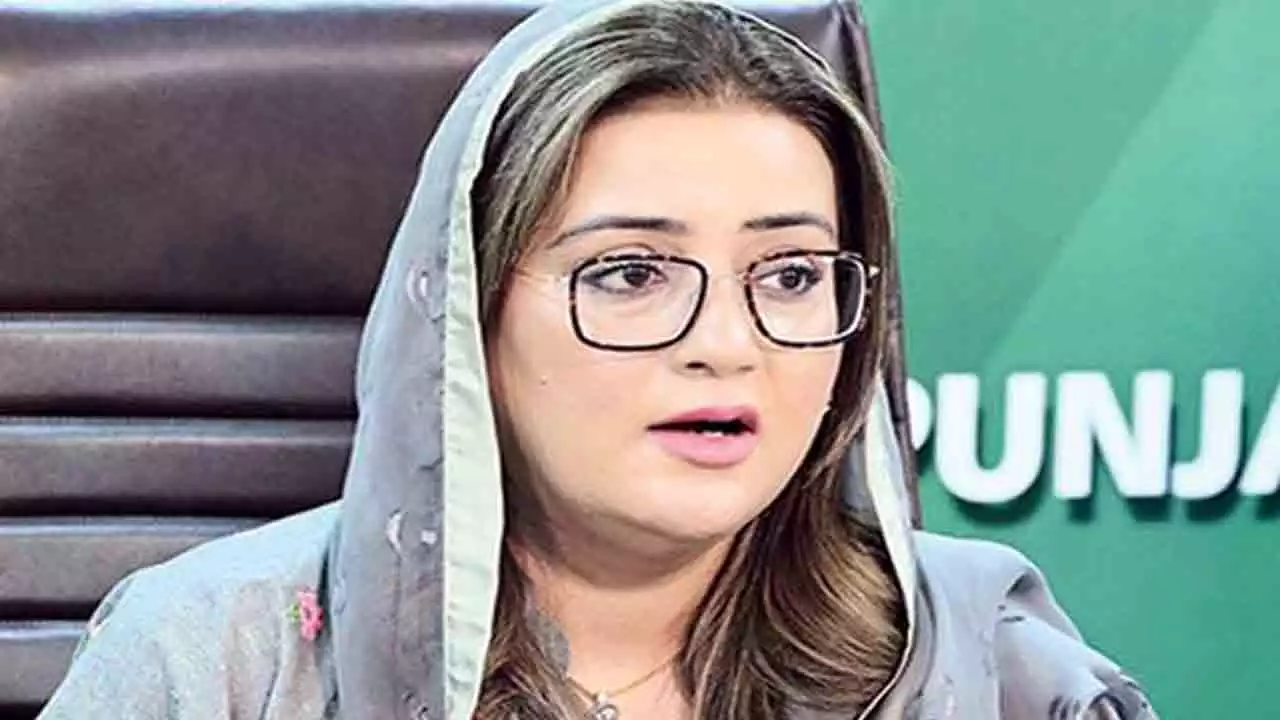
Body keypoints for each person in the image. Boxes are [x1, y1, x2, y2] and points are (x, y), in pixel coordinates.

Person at [37, 0, 1159, 718]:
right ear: (466, 320)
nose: (726, 345)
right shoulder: (216, 658)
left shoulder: (989, 659)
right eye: (629, 273)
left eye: (790, 275)